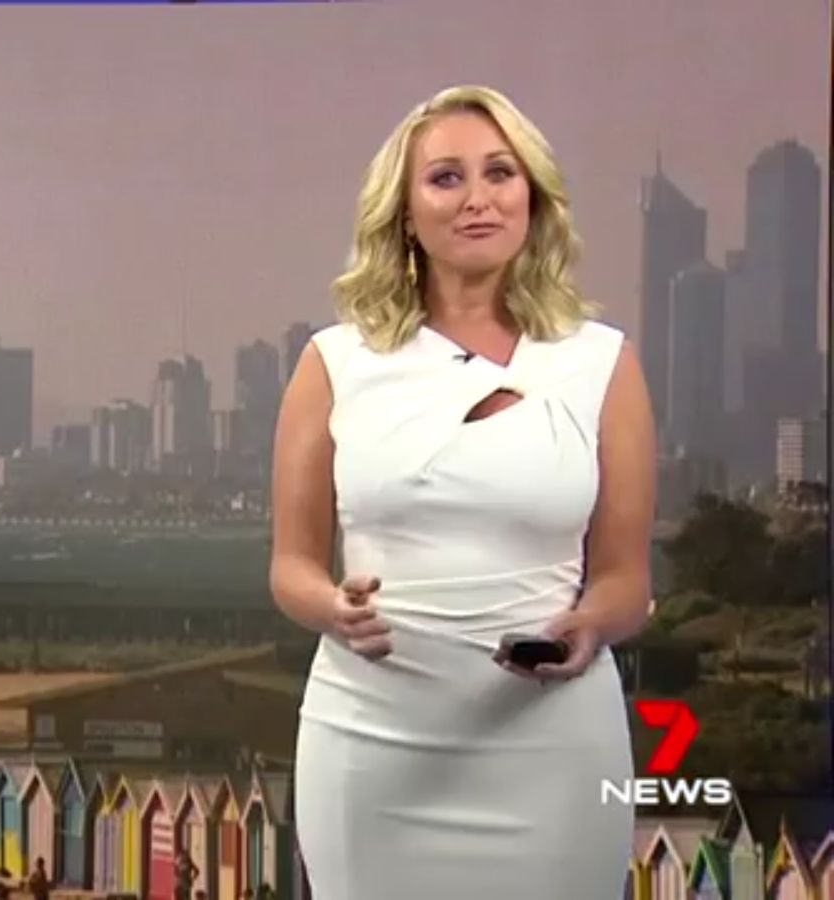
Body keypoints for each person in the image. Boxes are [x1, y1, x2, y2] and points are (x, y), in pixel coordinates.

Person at [272, 84, 654, 899]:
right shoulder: (335, 362)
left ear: (532, 197)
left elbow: (625, 579)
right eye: (447, 178)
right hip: (373, 749)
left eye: (500, 173)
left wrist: (589, 625)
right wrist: (333, 606)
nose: (478, 198)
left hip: (553, 749)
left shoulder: (602, 363)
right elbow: (291, 567)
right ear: (406, 214)